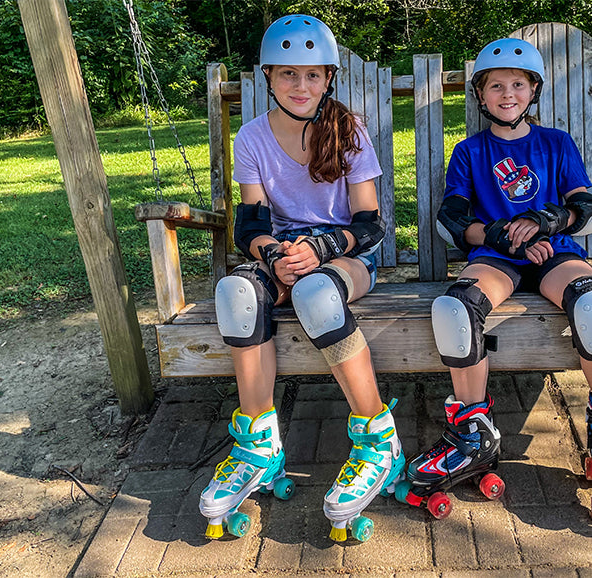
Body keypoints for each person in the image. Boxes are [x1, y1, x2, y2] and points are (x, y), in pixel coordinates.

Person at [199, 15, 403, 543]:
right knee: (235, 291)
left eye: (313, 75)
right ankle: (258, 446)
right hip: (282, 254)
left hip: (345, 256)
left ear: (329, 78)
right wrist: (273, 256)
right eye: (288, 73)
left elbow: (370, 223)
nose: (301, 86)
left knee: (315, 291)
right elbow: (250, 223)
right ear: (267, 77)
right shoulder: (252, 137)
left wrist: (319, 249)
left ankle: (379, 440)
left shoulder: (348, 130)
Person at [400, 38, 592, 515]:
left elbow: (582, 205)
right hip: (498, 256)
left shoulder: (556, 143)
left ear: (533, 91)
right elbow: (453, 217)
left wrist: (547, 223)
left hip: (554, 253)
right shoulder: (470, 151)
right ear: (480, 95)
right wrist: (504, 235)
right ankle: (472, 435)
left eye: (518, 84)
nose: (508, 94)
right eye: (496, 86)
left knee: (591, 304)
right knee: (455, 307)